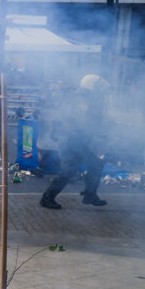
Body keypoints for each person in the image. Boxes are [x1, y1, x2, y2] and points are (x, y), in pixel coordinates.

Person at [39, 74, 111, 210]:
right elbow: (78, 122)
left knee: (96, 166)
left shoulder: (87, 98)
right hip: (72, 141)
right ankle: (47, 197)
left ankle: (90, 194)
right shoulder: (79, 99)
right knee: (68, 171)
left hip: (82, 141)